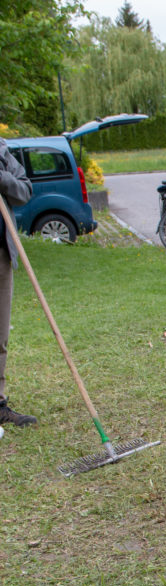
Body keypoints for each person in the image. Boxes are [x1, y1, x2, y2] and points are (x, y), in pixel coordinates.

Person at [0, 137, 38, 431]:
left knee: (0, 337)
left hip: (2, 254)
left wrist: (1, 177)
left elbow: (24, 191)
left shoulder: (1, 150)